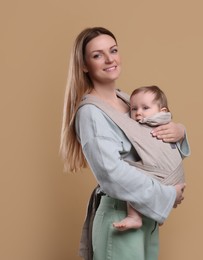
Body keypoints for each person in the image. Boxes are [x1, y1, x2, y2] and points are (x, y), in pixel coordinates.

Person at [60, 27, 190, 260]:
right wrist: (167, 195)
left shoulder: (128, 100)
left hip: (145, 213)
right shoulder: (91, 113)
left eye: (113, 50)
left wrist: (179, 131)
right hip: (120, 215)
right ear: (84, 65)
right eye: (98, 55)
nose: (110, 59)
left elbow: (153, 141)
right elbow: (111, 173)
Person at [112, 85, 186, 231]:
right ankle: (154, 214)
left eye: (145, 108)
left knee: (131, 175)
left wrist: (181, 129)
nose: (139, 113)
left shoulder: (160, 123)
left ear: (162, 111)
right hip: (175, 177)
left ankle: (134, 217)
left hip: (167, 174)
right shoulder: (165, 120)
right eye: (134, 109)